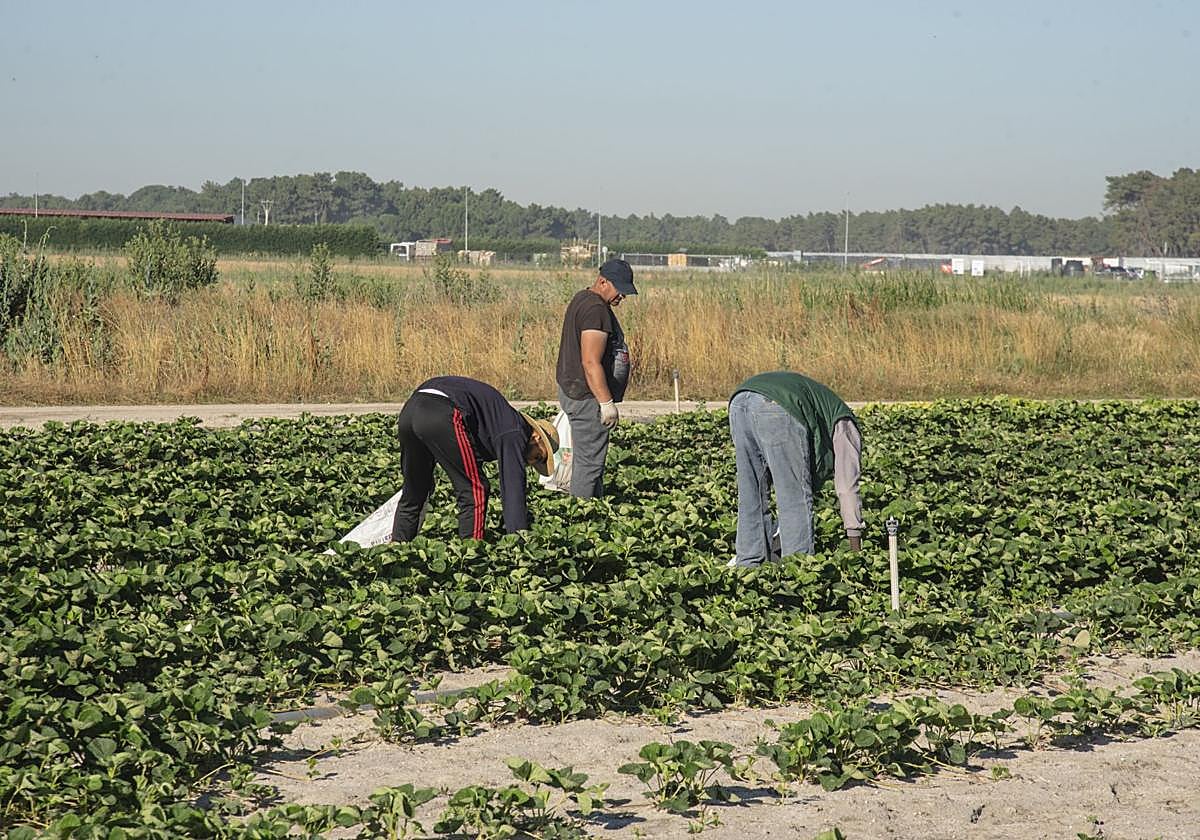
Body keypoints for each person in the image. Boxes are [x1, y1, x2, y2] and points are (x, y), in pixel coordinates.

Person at [391, 375, 559, 541]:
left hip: (411, 410)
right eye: (538, 457)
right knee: (475, 490)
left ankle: (397, 551)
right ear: (536, 437)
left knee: (416, 490)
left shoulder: (498, 420)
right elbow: (513, 488)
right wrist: (519, 540)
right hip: (443, 411)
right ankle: (471, 555)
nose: (530, 463)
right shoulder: (516, 431)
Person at [727, 371, 865, 567]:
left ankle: (748, 566)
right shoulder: (846, 424)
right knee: (795, 500)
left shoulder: (824, 406)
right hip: (778, 407)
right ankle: (796, 572)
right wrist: (855, 545)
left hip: (740, 402)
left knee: (751, 495)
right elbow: (847, 487)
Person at [554, 258, 636, 497]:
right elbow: (590, 361)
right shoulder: (596, 310)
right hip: (587, 396)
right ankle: (582, 517)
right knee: (589, 464)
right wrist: (605, 403)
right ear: (603, 282)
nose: (622, 296)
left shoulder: (583, 298)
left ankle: (593, 508)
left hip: (574, 388)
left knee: (590, 460)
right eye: (619, 290)